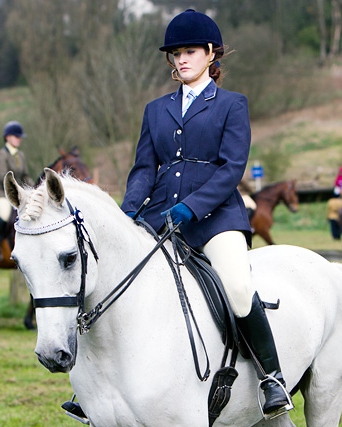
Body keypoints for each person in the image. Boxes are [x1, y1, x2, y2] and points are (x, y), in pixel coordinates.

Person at [119, 9, 292, 418]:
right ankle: (107, 385)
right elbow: (145, 168)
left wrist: (190, 207)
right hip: (160, 214)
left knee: (234, 284)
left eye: (190, 52)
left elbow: (232, 168)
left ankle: (272, 378)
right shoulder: (155, 110)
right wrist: (127, 212)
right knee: (123, 284)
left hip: (215, 218)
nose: (181, 60)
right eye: (175, 53)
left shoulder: (232, 104)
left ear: (211, 53)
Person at [0, 121, 32, 261]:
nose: (19, 139)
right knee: (5, 213)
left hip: (16, 192)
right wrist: (18, 190)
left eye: (20, 137)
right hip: (1, 192)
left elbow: (25, 176)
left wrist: (35, 188)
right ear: (7, 137)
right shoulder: (2, 155)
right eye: (16, 136)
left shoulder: (21, 155)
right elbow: (3, 177)